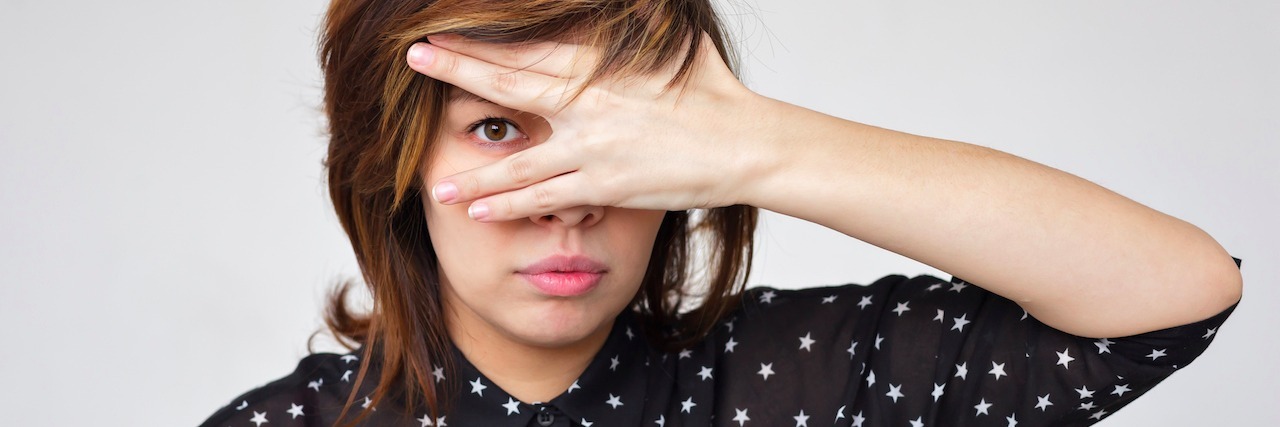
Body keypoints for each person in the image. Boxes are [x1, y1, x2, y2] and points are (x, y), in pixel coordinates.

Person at [199, 0, 1243, 426]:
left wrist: (758, 144)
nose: (568, 202)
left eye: (617, 142)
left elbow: (1169, 298)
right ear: (395, 169)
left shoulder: (802, 378)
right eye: (499, 131)